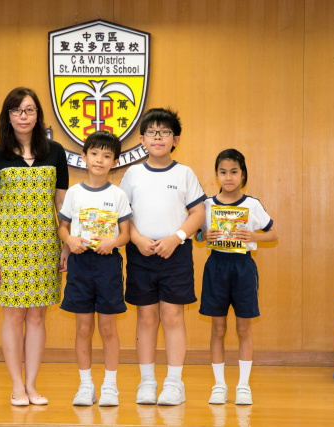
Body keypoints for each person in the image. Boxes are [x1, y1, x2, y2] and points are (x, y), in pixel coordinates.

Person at [0, 87, 70, 406]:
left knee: (37, 318)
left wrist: (66, 245)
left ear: (38, 115)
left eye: (30, 110)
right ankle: (17, 386)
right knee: (14, 317)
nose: (23, 116)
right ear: (8, 116)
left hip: (46, 246)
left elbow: (62, 204)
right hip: (9, 248)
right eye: (17, 110)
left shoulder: (55, 152)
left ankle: (32, 386)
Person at [119, 108, 206, 406]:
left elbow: (198, 213)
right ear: (142, 139)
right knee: (146, 317)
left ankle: (174, 383)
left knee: (172, 315)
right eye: (152, 132)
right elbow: (122, 215)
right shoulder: (133, 174)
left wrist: (176, 238)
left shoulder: (185, 173)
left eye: (165, 132)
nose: (158, 137)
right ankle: (147, 382)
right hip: (140, 254)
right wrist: (137, 239)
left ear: (175, 140)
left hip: (176, 254)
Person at [196, 148, 277, 405]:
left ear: (243, 175)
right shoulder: (207, 204)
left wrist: (255, 236)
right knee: (218, 328)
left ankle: (243, 385)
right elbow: (196, 234)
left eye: (234, 172)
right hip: (216, 266)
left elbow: (273, 234)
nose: (228, 177)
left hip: (243, 267)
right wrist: (203, 236)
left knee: (243, 328)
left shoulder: (252, 204)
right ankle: (219, 385)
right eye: (223, 172)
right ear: (216, 175)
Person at [57, 130, 132, 407]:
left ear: (115, 162)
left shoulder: (118, 194)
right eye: (94, 153)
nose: (100, 160)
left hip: (108, 265)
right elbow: (62, 228)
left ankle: (110, 387)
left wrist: (113, 242)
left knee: (108, 328)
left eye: (107, 155)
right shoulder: (74, 193)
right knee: (83, 328)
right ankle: (85, 385)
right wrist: (70, 240)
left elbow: (125, 234)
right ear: (84, 156)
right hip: (80, 264)